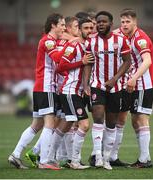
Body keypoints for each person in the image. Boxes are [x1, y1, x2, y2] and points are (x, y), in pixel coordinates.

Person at [8, 13, 68, 170]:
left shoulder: (52, 41)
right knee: (50, 123)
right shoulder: (48, 41)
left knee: (36, 125)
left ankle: (15, 154)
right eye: (61, 24)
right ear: (53, 25)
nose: (64, 27)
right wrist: (71, 45)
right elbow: (57, 57)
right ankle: (44, 161)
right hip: (45, 87)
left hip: (42, 87)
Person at [84, 11, 131, 170]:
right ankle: (97, 156)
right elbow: (88, 63)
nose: (100, 24)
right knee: (97, 118)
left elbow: (127, 62)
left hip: (115, 87)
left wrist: (114, 79)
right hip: (97, 85)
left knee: (111, 124)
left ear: (111, 24)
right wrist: (85, 84)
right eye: (98, 22)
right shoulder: (91, 41)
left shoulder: (121, 40)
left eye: (104, 22)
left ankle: (106, 158)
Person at [45, 17, 94, 170]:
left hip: (76, 91)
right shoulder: (73, 46)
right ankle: (75, 161)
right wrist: (82, 62)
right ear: (79, 30)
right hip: (69, 90)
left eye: (91, 28)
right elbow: (61, 67)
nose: (89, 31)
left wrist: (86, 86)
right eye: (85, 28)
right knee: (84, 125)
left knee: (65, 126)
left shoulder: (86, 46)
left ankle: (49, 157)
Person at [116, 8, 153, 168]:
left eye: (128, 21)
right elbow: (114, 31)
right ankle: (143, 158)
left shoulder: (140, 39)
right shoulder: (127, 34)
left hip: (143, 84)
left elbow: (147, 61)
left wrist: (133, 78)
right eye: (123, 22)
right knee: (135, 120)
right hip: (136, 84)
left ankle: (145, 160)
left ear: (135, 22)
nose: (124, 25)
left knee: (141, 118)